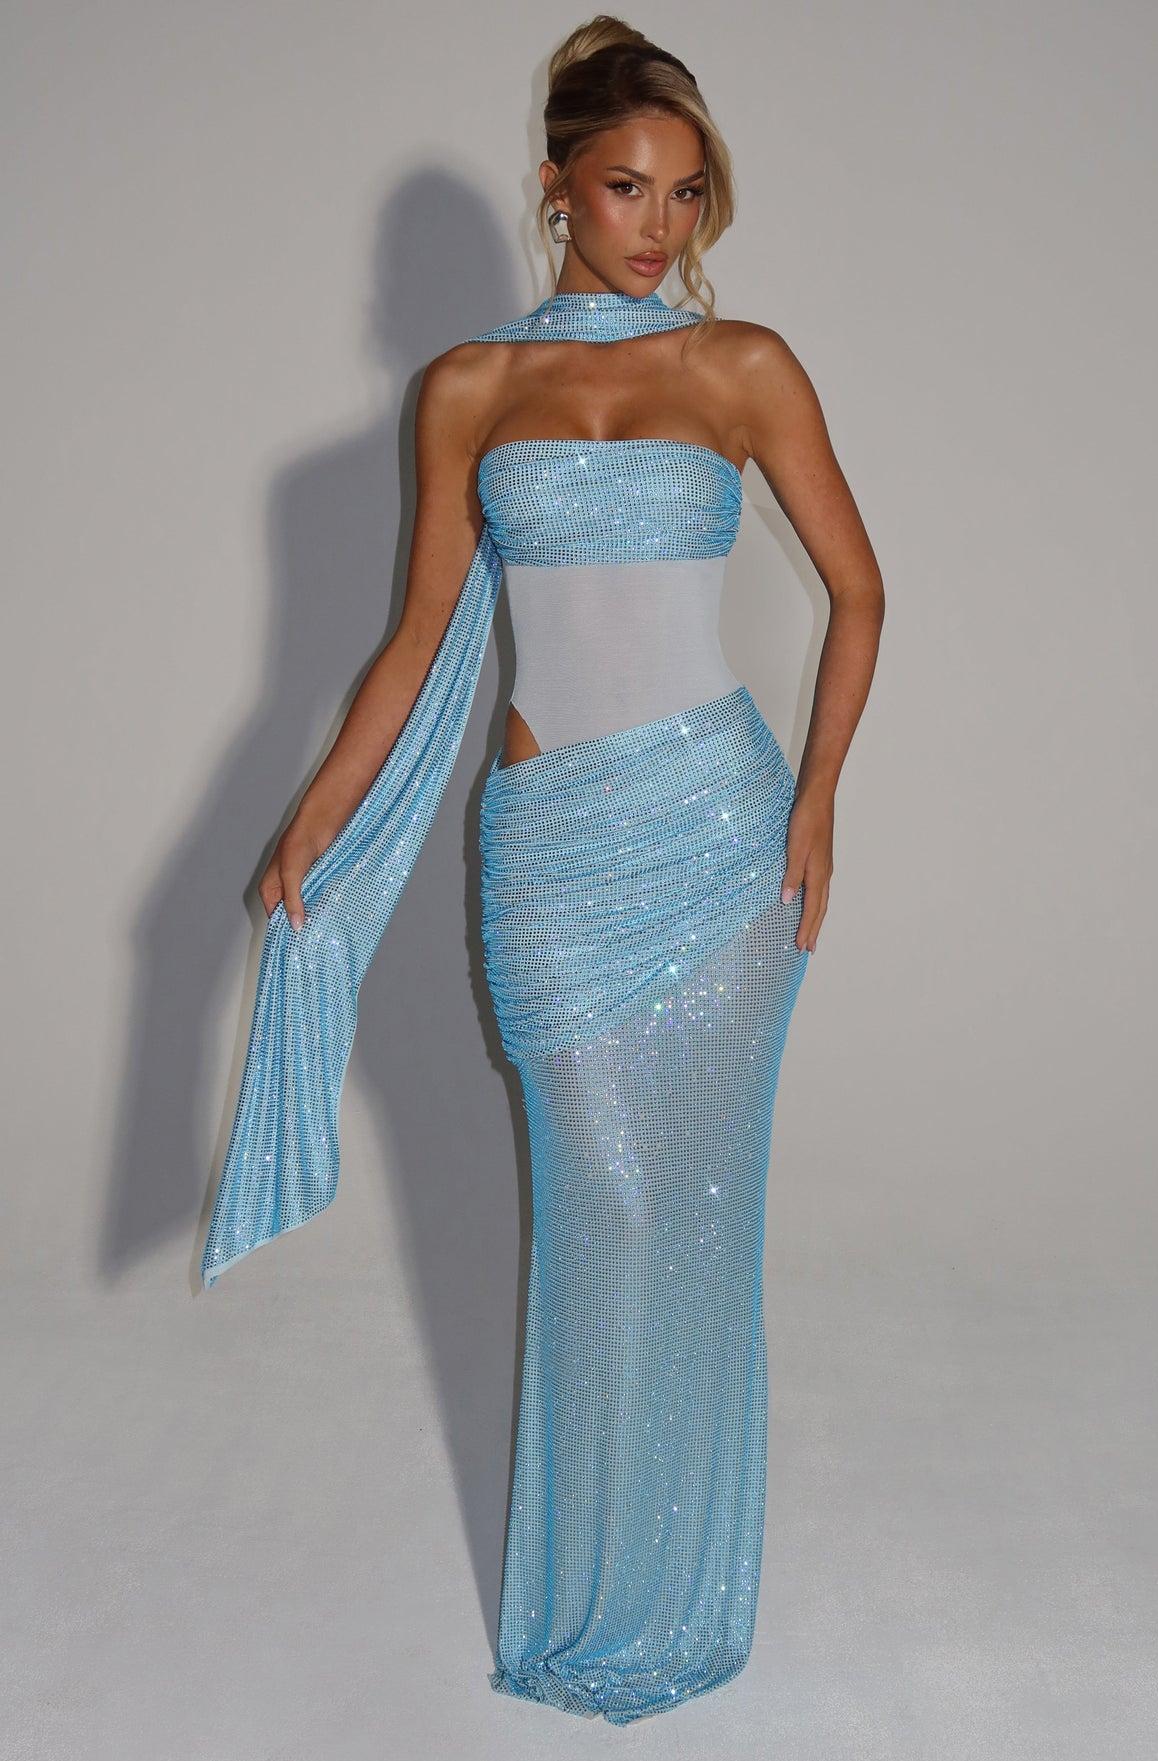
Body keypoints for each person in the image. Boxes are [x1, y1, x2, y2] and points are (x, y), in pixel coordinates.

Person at [200, 14, 883, 1728]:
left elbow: (859, 589)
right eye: (626, 186)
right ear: (557, 187)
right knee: (602, 1203)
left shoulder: (740, 367)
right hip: (550, 855)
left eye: (685, 191)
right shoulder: (466, 389)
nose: (658, 223)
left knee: (697, 1209)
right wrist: (313, 814)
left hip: (717, 840)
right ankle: (591, 1592)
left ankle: (671, 1585)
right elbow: (417, 635)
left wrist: (815, 802)